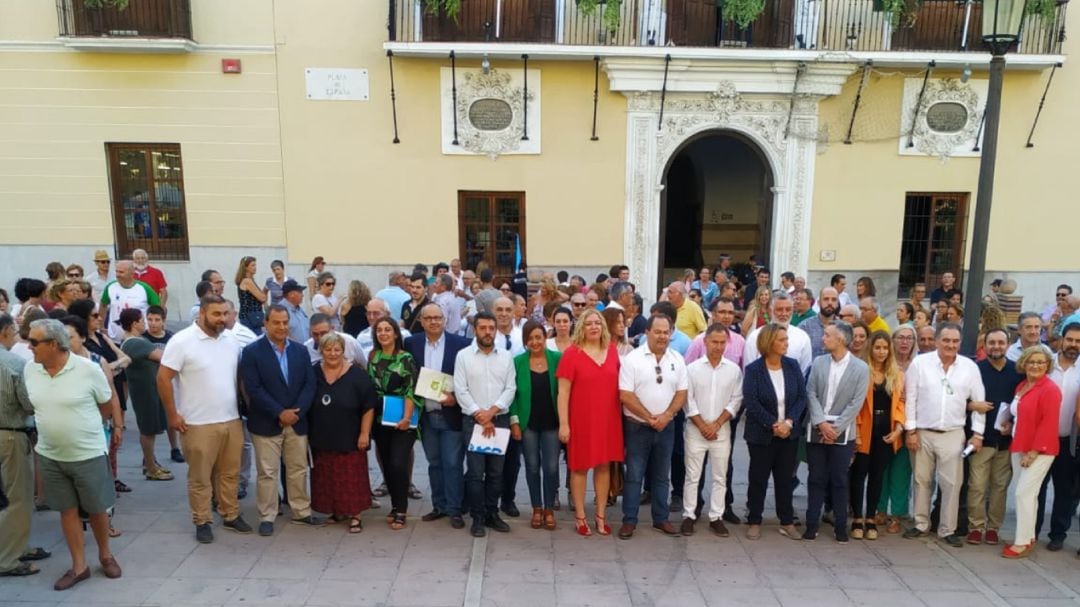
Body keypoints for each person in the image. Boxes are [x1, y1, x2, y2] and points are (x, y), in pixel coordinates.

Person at [23, 319, 123, 590]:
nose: (28, 346)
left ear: (53, 344)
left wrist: (91, 428)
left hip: (87, 453)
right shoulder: (31, 370)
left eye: (33, 342)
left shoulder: (88, 369)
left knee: (96, 509)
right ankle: (79, 566)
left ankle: (105, 555)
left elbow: (105, 405)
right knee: (67, 511)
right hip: (50, 454)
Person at [158, 295, 253, 544]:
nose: (222, 319)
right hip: (197, 423)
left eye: (225, 314)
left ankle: (230, 513)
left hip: (231, 419)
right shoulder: (182, 341)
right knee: (200, 477)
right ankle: (202, 520)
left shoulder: (231, 340)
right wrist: (173, 415)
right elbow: (163, 378)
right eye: (216, 314)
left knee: (230, 473)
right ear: (201, 313)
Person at [903, 323, 987, 547]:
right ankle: (921, 524)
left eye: (955, 341)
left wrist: (977, 433)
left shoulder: (969, 367)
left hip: (953, 433)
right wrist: (910, 430)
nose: (951, 345)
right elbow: (910, 398)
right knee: (922, 480)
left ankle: (946, 529)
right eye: (946, 340)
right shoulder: (920, 364)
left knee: (952, 483)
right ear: (937, 341)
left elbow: (979, 402)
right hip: (923, 431)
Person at [240, 305, 319, 536]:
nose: (282, 327)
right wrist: (279, 412)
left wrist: (297, 411)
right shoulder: (252, 352)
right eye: (276, 322)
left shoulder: (300, 351)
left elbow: (309, 384)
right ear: (265, 323)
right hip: (266, 423)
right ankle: (267, 515)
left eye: (285, 322)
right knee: (267, 472)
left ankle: (301, 511)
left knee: (297, 468)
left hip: (296, 420)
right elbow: (253, 388)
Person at [617, 314, 688, 539]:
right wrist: (649, 418)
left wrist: (667, 415)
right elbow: (625, 395)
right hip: (637, 427)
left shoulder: (677, 358)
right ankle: (629, 520)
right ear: (647, 332)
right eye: (657, 331)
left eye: (666, 332)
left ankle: (661, 518)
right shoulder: (633, 359)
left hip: (666, 426)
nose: (662, 336)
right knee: (635, 475)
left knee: (661, 475)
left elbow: (682, 393)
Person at [557, 308, 623, 536]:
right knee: (579, 467)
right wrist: (564, 424)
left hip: (608, 419)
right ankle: (581, 517)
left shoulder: (613, 351)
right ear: (581, 328)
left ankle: (601, 516)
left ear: (604, 327)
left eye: (598, 323)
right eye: (589, 323)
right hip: (581, 420)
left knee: (604, 466)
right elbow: (563, 393)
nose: (594, 327)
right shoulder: (572, 354)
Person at [405, 303, 470, 529]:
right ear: (421, 321)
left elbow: (468, 380)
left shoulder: (461, 344)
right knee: (434, 463)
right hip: (427, 415)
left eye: (438, 318)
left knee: (452, 463)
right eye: (429, 318)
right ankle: (439, 506)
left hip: (452, 413)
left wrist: (457, 398)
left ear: (444, 320)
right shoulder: (411, 343)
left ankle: (455, 509)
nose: (434, 322)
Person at [804, 322, 870, 543]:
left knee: (840, 480)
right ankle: (811, 524)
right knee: (815, 478)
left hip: (844, 433)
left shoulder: (861, 368)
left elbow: (856, 403)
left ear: (841, 340)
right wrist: (820, 422)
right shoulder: (819, 362)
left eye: (827, 335)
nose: (823, 338)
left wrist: (836, 428)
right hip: (817, 429)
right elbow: (810, 392)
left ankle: (841, 526)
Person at [454, 311, 517, 537]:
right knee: (475, 473)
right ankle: (477, 517)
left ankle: (492, 513)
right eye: (483, 328)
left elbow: (511, 388)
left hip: (499, 421)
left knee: (496, 473)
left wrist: (491, 412)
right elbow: (460, 390)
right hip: (473, 421)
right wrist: (480, 415)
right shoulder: (463, 356)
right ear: (475, 330)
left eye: (492, 328)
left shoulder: (506, 356)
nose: (488, 332)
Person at [742, 323, 806, 541]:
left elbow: (801, 398)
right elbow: (751, 402)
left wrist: (788, 422)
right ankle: (754, 520)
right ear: (769, 343)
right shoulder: (753, 370)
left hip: (789, 433)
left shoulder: (792, 365)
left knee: (785, 479)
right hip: (761, 434)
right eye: (782, 340)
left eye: (786, 339)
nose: (786, 343)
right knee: (758, 478)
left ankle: (787, 521)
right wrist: (773, 425)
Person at [308, 333, 377, 534]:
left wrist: (365, 433)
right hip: (322, 436)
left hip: (350, 436)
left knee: (351, 476)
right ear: (322, 351)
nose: (333, 353)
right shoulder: (313, 372)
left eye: (337, 349)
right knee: (327, 476)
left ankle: (355, 515)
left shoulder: (357, 375)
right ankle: (336, 511)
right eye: (328, 349)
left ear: (343, 351)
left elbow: (368, 406)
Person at [680, 324, 743, 537]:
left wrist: (716, 424)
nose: (718, 346)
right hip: (696, 430)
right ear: (705, 342)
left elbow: (736, 399)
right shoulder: (693, 369)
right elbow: (687, 401)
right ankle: (689, 515)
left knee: (720, 476)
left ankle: (716, 516)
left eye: (722, 342)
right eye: (714, 342)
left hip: (721, 431)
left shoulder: (734, 370)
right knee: (692, 475)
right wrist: (703, 425)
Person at [1000, 346, 1061, 558]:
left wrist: (1034, 451)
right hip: (1019, 444)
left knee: (1022, 493)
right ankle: (1029, 536)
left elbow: (1049, 423)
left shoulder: (1050, 389)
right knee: (1029, 495)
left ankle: (1022, 542)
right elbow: (1021, 416)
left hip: (1039, 451)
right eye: (1032, 362)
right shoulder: (1022, 385)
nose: (1035, 366)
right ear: (1024, 363)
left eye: (1040, 362)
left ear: (1047, 365)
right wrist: (1009, 426)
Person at [0, 313, 48, 578]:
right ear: (7, 330)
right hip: (9, 434)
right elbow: (28, 404)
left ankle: (16, 544)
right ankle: (8, 558)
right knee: (17, 497)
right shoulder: (15, 364)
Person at [966, 328, 1022, 546]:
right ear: (985, 345)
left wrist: (1014, 425)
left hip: (1006, 441)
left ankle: (993, 528)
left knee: (999, 487)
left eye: (1000, 343)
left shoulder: (1017, 371)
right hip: (981, 440)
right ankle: (976, 526)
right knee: (977, 485)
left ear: (1008, 345)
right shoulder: (975, 370)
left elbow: (1022, 404)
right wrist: (970, 405)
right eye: (992, 343)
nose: (996, 347)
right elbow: (963, 398)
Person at [848, 330, 905, 541]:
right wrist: (856, 432)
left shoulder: (896, 374)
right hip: (863, 430)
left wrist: (898, 428)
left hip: (886, 432)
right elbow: (854, 404)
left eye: (885, 348)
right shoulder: (861, 371)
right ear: (870, 348)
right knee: (858, 475)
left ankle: (871, 517)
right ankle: (857, 518)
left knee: (877, 477)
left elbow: (900, 403)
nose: (881, 352)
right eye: (877, 347)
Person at [367, 317, 418, 530]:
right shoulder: (373, 356)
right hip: (380, 419)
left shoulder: (405, 358)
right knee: (387, 464)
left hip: (402, 419)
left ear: (396, 334)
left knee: (399, 462)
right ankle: (395, 505)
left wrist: (406, 418)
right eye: (379, 330)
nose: (384, 333)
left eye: (388, 330)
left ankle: (402, 508)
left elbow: (410, 390)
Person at [510, 320, 562, 530]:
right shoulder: (518, 362)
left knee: (551, 467)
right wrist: (514, 421)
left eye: (538, 337)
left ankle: (549, 507)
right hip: (528, 422)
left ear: (545, 338)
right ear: (525, 341)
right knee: (532, 467)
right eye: (530, 338)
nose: (535, 341)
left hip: (552, 422)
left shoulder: (557, 359)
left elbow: (566, 391)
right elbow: (511, 394)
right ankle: (537, 508)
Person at [1035, 323, 1080, 551]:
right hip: (1041, 440)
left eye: (1078, 341)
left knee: (1064, 490)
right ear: (1061, 340)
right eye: (1070, 339)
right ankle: (1031, 531)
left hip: (1067, 440)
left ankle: (1058, 534)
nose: (1074, 345)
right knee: (1037, 488)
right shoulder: (1045, 363)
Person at [117, 309, 173, 481]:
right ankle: (150, 467)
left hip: (148, 391)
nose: (146, 324)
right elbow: (165, 357)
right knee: (147, 430)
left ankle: (152, 464)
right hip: (144, 393)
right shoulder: (136, 343)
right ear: (134, 324)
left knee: (151, 429)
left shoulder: (135, 341)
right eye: (143, 320)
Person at [743, 292, 813, 374]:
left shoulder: (802, 337)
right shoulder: (755, 337)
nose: (784, 314)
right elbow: (748, 371)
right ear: (770, 311)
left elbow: (804, 371)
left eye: (788, 309)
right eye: (779, 309)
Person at [100, 260, 160, 342]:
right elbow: (103, 305)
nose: (117, 275)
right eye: (116, 271)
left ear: (132, 273)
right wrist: (101, 327)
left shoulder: (144, 288)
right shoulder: (110, 287)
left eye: (121, 272)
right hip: (115, 339)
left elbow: (157, 310)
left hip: (141, 339)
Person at [234, 256, 268, 335]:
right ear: (246, 267)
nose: (255, 267)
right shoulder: (247, 281)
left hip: (250, 316)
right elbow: (262, 298)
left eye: (255, 265)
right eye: (252, 265)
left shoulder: (249, 280)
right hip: (250, 317)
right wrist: (266, 290)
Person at [281, 279, 309, 344]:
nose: (302, 295)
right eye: (300, 292)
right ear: (291, 294)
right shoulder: (280, 310)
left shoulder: (299, 309)